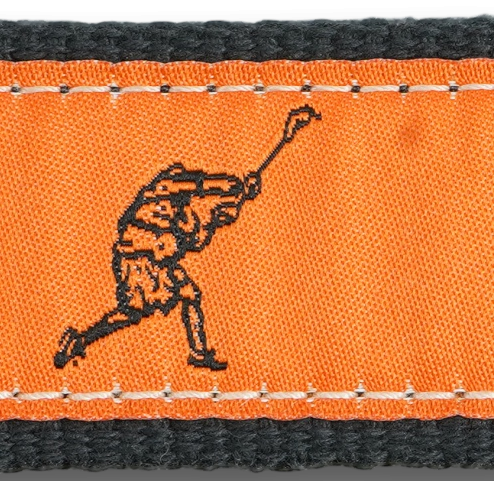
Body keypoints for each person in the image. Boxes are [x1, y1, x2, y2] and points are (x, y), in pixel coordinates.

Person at [54, 109, 316, 374]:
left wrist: (241, 195)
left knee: (187, 295)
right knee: (132, 312)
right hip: (140, 258)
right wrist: (237, 186)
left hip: (153, 258)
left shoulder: (177, 209)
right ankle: (80, 339)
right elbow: (207, 187)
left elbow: (203, 225)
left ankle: (198, 353)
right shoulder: (166, 188)